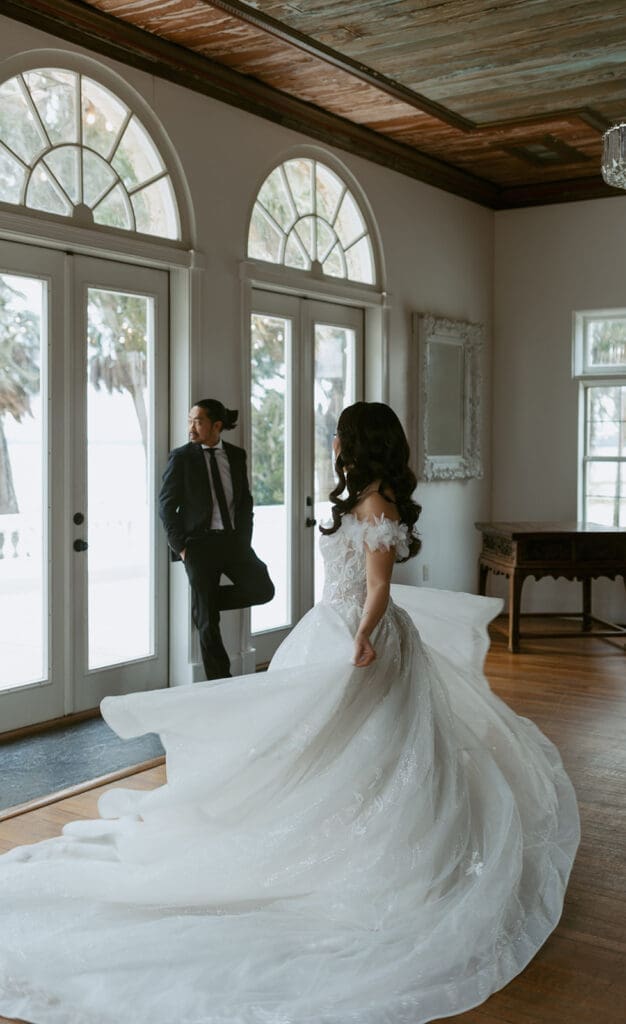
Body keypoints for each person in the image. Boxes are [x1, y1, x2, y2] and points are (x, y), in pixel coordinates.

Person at [0, 402, 579, 1024]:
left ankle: (363, 842)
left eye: (340, 433)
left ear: (360, 442)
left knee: (367, 749)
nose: (333, 440)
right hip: (330, 629)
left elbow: (380, 587)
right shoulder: (365, 496)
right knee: (312, 747)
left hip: (360, 638)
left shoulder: (378, 505)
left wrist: (362, 637)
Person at [159, 398, 274, 678]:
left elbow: (245, 502)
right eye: (190, 421)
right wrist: (182, 548)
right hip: (198, 546)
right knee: (208, 624)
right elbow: (166, 505)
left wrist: (244, 540)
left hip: (233, 543)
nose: (191, 428)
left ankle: (204, 603)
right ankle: (221, 684)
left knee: (263, 589)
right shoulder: (182, 457)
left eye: (198, 421)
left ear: (217, 425)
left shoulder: (236, 455)